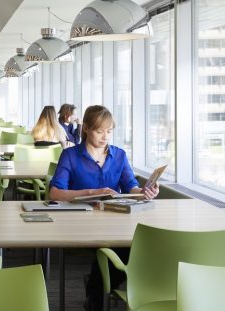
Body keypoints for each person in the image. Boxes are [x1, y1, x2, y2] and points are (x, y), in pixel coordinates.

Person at [49, 105, 159, 311]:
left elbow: (131, 187)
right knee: (115, 251)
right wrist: (89, 192)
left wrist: (144, 192)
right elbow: (55, 193)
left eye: (109, 131)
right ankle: (96, 292)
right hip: (80, 222)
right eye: (100, 131)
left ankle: (95, 291)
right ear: (87, 128)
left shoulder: (119, 155)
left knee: (131, 248)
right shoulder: (70, 155)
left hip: (113, 220)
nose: (105, 136)